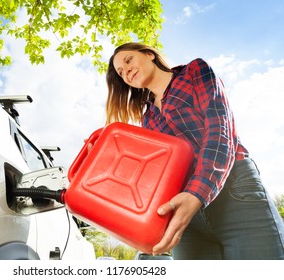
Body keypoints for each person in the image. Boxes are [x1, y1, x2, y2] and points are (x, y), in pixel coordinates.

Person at [105, 42, 284, 259]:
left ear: (149, 54)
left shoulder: (194, 71)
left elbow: (220, 130)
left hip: (235, 195)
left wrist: (197, 193)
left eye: (128, 60)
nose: (126, 72)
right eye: (121, 72)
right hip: (188, 217)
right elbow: (161, 170)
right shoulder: (148, 118)